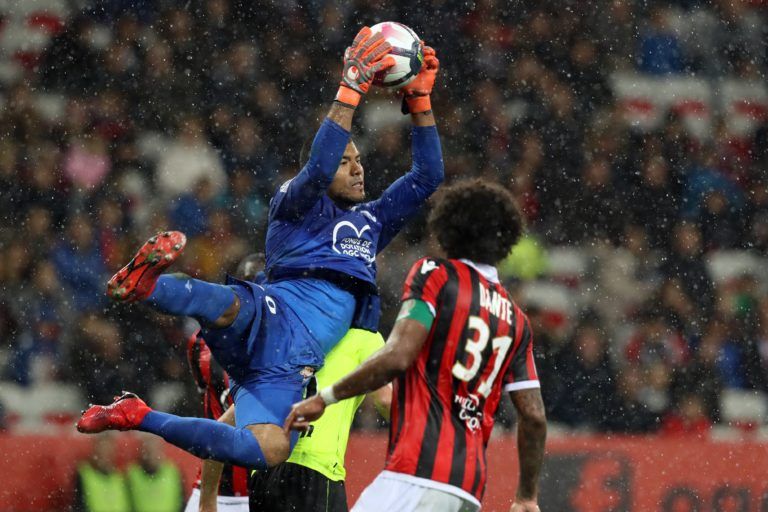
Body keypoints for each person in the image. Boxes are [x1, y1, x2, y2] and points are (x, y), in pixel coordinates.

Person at [77, 26, 443, 477]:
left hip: (290, 365)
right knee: (231, 304)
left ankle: (138, 416)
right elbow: (318, 167)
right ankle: (145, 287)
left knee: (270, 449)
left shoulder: (371, 222)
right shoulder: (295, 204)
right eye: (345, 162)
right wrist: (349, 90)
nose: (357, 168)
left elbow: (427, 176)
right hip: (278, 308)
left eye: (359, 161)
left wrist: (421, 103)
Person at [286, 180, 548, 512]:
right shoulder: (516, 319)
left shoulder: (436, 275)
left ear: (448, 227)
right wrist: (527, 495)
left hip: (416, 474)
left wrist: (325, 398)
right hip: (467, 489)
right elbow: (535, 416)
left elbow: (398, 356)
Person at [191, 253, 392, 512]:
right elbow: (388, 402)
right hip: (316, 472)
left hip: (265, 475)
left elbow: (221, 428)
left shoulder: (281, 335)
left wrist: (207, 501)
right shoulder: (365, 338)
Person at [73, 433, 130, 512]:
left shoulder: (120, 478)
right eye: (101, 451)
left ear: (113, 453)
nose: (105, 456)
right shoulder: (84, 475)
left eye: (107, 452)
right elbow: (78, 506)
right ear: (95, 452)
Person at [126, 435, 184, 512]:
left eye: (154, 450)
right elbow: (126, 503)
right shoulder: (132, 474)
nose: (151, 455)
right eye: (148, 451)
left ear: (161, 451)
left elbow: (182, 502)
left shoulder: (172, 472)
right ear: (142, 452)